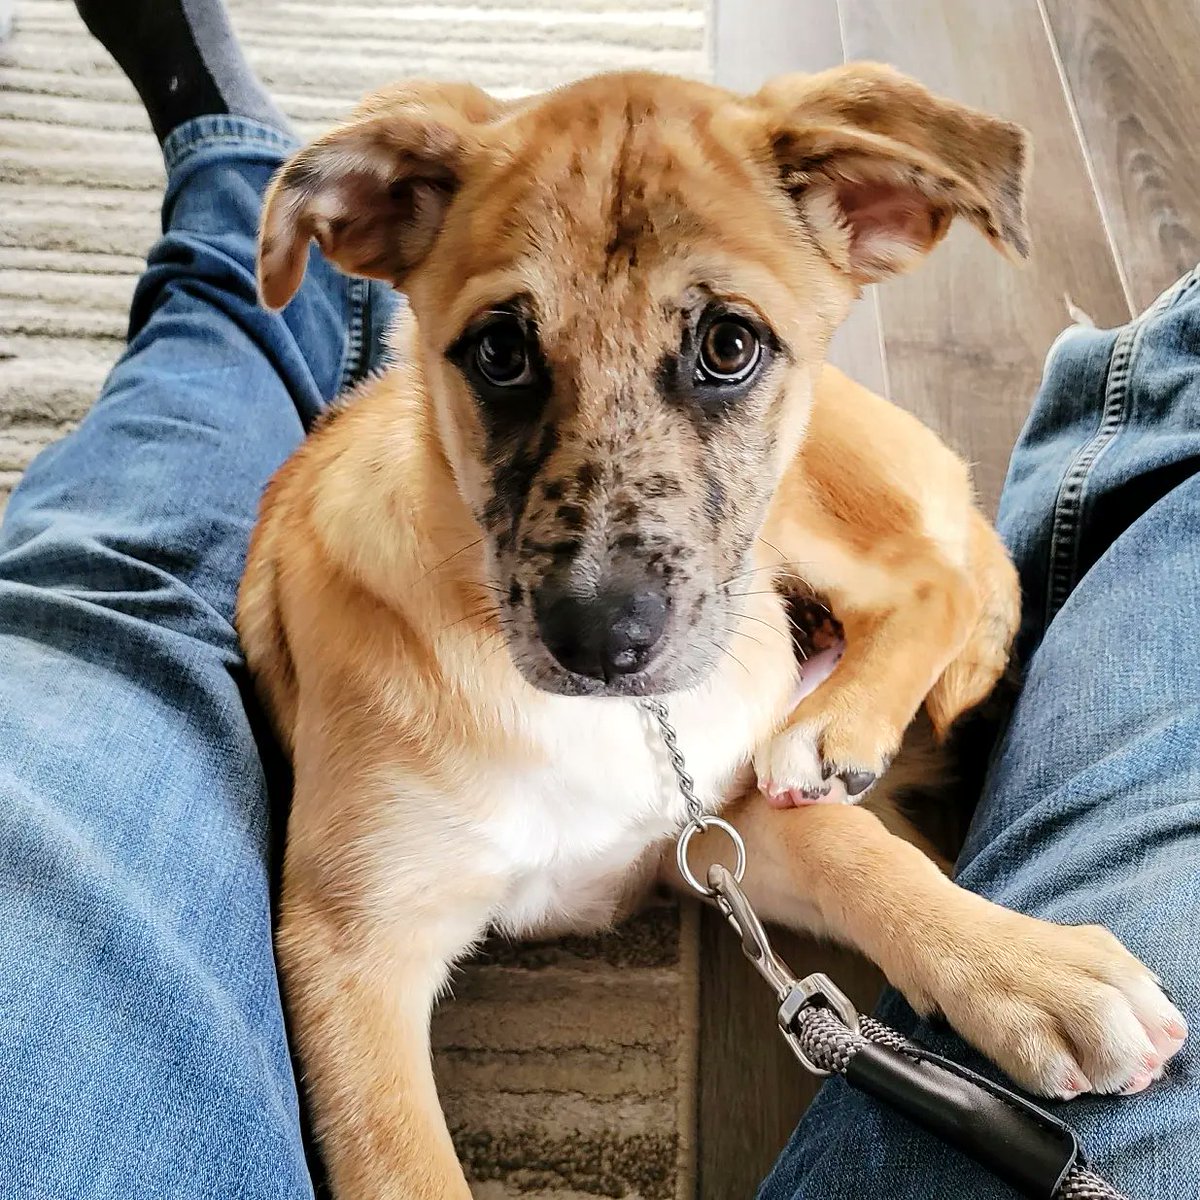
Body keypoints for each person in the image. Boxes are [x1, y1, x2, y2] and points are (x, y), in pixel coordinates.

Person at [2, 3, 1195, 1197]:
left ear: (873, 209)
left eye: (723, 348)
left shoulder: (751, 632)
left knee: (143, 497)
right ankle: (247, 224)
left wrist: (930, 920)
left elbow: (743, 821)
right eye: (509, 355)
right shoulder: (389, 638)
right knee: (135, 559)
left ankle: (235, 209)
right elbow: (349, 945)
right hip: (377, 504)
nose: (606, 604)